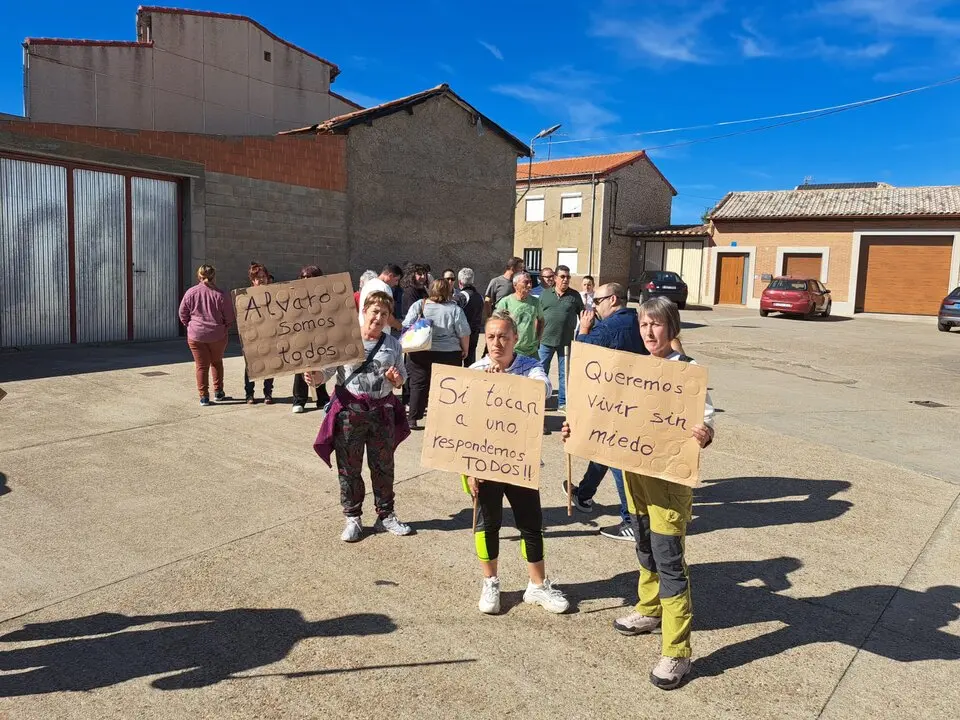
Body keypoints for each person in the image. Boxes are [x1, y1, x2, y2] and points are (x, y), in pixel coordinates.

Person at [561, 295, 715, 690]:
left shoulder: (688, 373)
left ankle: (677, 652)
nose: (649, 332)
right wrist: (576, 429)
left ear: (672, 328)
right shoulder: (634, 369)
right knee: (643, 545)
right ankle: (648, 609)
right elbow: (604, 414)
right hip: (635, 480)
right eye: (644, 325)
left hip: (669, 486)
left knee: (669, 561)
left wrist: (705, 433)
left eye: (657, 325)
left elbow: (707, 421)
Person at [465, 310, 569, 615]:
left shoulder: (530, 367)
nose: (497, 343)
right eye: (492, 336)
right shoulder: (474, 371)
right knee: (488, 523)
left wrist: (507, 386)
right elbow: (462, 425)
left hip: (519, 460)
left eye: (504, 337)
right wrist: (469, 468)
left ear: (516, 339)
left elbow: (544, 389)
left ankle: (536, 586)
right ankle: (490, 583)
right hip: (484, 460)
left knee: (530, 523)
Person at [311, 291, 413, 542]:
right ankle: (353, 517)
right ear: (364, 312)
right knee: (349, 468)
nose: (379, 317)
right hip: (350, 415)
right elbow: (326, 373)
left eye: (385, 314)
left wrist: (396, 380)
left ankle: (385, 516)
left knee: (383, 467)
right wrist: (314, 378)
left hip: (381, 414)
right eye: (375, 311)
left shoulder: (393, 344)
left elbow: (402, 377)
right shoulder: (345, 339)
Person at [563, 282, 645, 540]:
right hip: (635, 399)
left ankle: (630, 520)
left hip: (615, 401)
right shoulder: (639, 320)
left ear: (613, 300)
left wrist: (584, 329)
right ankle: (584, 495)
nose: (593, 308)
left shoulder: (609, 326)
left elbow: (584, 356)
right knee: (603, 447)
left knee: (617, 458)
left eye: (597, 302)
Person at [402, 279, 470, 430]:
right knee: (448, 385)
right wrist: (464, 349)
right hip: (448, 353)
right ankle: (444, 418)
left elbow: (406, 324)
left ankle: (413, 418)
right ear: (448, 291)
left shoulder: (420, 304)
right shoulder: (455, 309)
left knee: (418, 384)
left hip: (421, 350)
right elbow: (464, 332)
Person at [178, 264, 235, 406]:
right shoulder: (221, 295)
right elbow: (229, 317)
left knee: (201, 366)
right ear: (214, 276)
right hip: (217, 335)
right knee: (216, 362)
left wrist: (190, 325)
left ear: (199, 276)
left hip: (196, 335)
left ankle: (203, 397)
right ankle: (218, 392)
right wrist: (224, 327)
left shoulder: (191, 293)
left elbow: (182, 313)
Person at [537, 264, 583, 411]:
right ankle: (539, 401)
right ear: (555, 278)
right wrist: (536, 337)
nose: (565, 280)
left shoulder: (574, 296)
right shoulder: (545, 295)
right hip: (545, 341)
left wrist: (582, 336)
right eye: (562, 277)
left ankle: (562, 403)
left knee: (565, 374)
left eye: (568, 277)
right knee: (541, 372)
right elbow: (538, 318)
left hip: (565, 343)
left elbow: (583, 316)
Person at [292, 265, 331, 414]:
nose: (307, 280)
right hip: (301, 336)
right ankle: (299, 400)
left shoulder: (324, 296)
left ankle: (321, 398)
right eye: (304, 277)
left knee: (319, 368)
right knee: (301, 368)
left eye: (310, 277)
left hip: (319, 336)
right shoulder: (295, 295)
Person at [244, 263, 275, 405]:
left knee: (270, 365)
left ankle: (268, 393)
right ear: (252, 280)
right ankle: (249, 394)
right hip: (253, 337)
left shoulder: (275, 294)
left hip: (270, 336)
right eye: (258, 278)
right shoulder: (245, 297)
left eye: (264, 277)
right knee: (251, 367)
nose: (261, 280)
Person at [494, 272, 543, 359]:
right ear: (515, 285)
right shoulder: (505, 302)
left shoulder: (535, 302)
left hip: (531, 351)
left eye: (530, 282)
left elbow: (541, 320)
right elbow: (496, 325)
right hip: (512, 350)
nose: (529, 285)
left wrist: (538, 339)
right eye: (526, 282)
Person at [358, 264, 403, 335]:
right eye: (396, 280)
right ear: (390, 275)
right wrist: (399, 326)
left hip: (364, 330)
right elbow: (386, 316)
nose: (396, 283)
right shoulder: (385, 288)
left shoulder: (368, 284)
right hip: (379, 334)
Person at [455, 267, 484, 367]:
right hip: (475, 333)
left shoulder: (461, 296)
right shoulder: (479, 296)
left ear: (460, 282)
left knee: (457, 362)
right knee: (470, 362)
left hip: (462, 335)